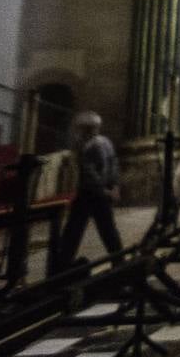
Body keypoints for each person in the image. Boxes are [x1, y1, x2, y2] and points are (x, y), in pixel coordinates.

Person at [57, 111, 124, 268]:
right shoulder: (106, 142)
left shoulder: (86, 146)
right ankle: (118, 260)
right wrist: (114, 187)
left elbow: (90, 174)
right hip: (102, 192)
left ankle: (62, 264)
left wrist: (105, 190)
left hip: (90, 194)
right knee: (108, 230)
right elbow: (114, 165)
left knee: (74, 229)